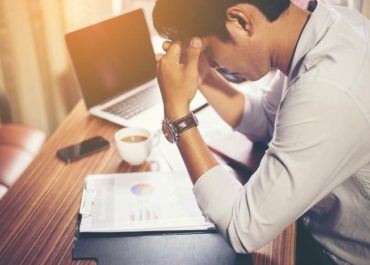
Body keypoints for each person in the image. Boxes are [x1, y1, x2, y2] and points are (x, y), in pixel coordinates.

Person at [152, 0, 370, 264]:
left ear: (242, 22)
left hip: (336, 255)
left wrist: (178, 113)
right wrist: (203, 75)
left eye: (208, 51)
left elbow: (242, 228)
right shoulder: (326, 26)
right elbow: (267, 120)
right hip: (313, 224)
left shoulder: (326, 88)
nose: (213, 63)